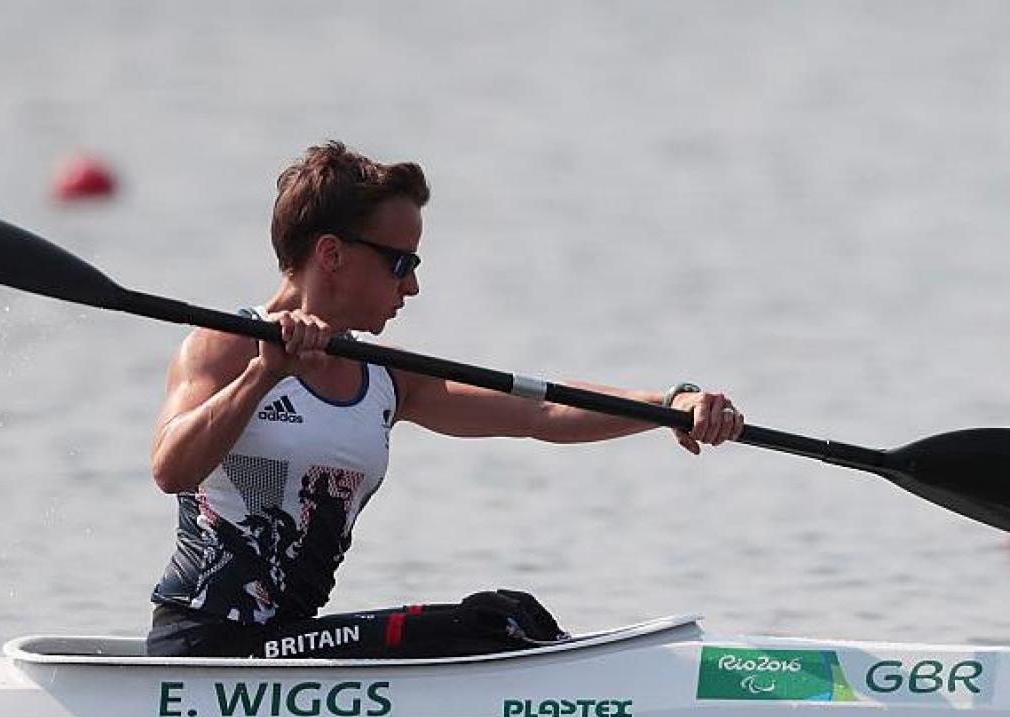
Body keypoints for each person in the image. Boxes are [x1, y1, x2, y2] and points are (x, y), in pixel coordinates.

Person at [147, 141, 743, 659]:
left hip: (290, 645)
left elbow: (540, 412)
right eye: (400, 263)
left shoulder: (386, 377)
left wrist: (669, 403)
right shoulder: (226, 345)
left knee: (515, 616)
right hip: (205, 643)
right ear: (331, 255)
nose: (412, 285)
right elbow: (172, 469)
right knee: (493, 622)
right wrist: (262, 377)